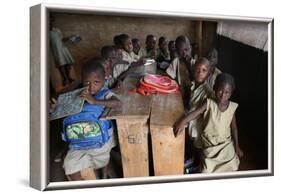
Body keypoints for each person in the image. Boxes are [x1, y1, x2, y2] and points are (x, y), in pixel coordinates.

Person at [53, 59, 121, 180]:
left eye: (96, 82)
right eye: (87, 82)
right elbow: (62, 112)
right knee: (69, 164)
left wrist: (95, 101)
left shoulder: (105, 93)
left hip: (100, 140)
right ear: (82, 80)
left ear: (104, 79)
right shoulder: (75, 94)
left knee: (104, 159)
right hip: (76, 141)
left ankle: (105, 175)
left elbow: (117, 103)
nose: (91, 86)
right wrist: (54, 108)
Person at [174, 73, 243, 173]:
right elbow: (196, 112)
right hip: (209, 143)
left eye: (227, 92)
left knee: (233, 166)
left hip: (225, 144)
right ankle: (198, 167)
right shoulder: (209, 103)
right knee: (206, 170)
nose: (223, 95)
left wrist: (237, 146)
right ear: (214, 88)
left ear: (231, 93)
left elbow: (234, 128)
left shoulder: (232, 107)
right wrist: (183, 121)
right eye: (220, 90)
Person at [184, 57, 213, 173]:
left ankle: (199, 166)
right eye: (197, 69)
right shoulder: (193, 84)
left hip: (199, 126)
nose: (200, 73)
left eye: (204, 70)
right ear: (193, 70)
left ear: (208, 73)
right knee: (194, 144)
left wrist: (186, 118)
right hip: (192, 123)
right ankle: (194, 160)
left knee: (200, 147)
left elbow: (202, 112)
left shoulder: (207, 91)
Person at [49, 15, 77, 86]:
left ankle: (68, 77)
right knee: (61, 65)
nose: (51, 23)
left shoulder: (57, 30)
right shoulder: (45, 32)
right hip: (56, 50)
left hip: (63, 48)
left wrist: (69, 38)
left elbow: (62, 39)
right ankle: (65, 79)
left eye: (52, 21)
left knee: (69, 63)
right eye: (49, 21)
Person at [166, 35, 193, 103]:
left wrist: (189, 66)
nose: (184, 54)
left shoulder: (195, 63)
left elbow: (195, 80)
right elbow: (169, 77)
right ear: (177, 52)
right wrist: (176, 84)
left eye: (186, 50)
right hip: (180, 94)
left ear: (191, 48)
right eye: (181, 51)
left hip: (192, 96)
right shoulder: (176, 62)